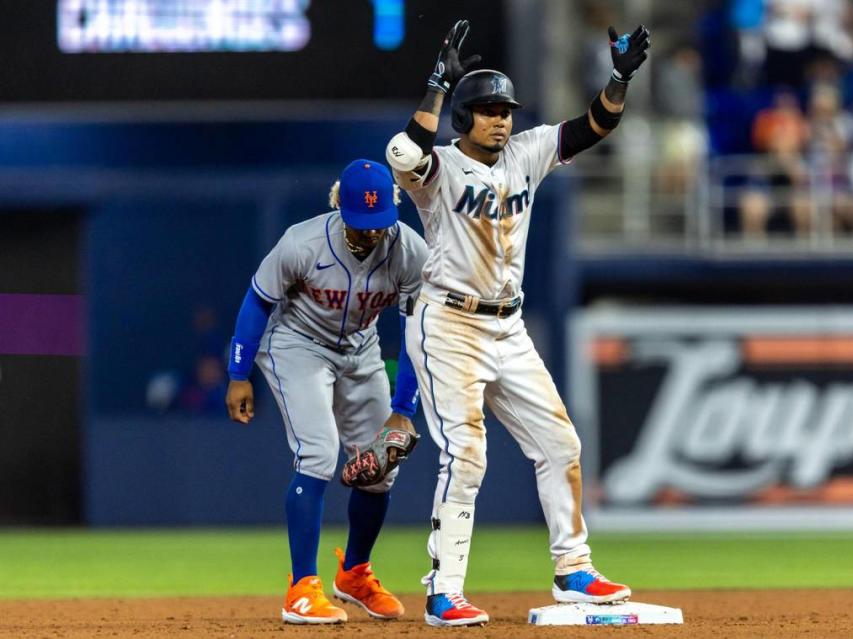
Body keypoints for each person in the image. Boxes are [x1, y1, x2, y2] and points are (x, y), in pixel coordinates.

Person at [384, 19, 650, 627]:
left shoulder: (526, 152)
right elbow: (405, 153)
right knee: (467, 454)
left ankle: (572, 570)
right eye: (487, 110)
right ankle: (442, 589)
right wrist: (435, 85)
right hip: (448, 325)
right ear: (463, 117)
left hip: (508, 328)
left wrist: (618, 77)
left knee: (561, 445)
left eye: (506, 108)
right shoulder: (441, 169)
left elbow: (595, 125)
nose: (501, 119)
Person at [224, 159, 427, 624]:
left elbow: (419, 331)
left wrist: (403, 407)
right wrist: (239, 374)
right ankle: (301, 588)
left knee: (380, 468)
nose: (371, 235)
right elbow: (258, 300)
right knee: (318, 452)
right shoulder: (304, 242)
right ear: (339, 207)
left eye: (379, 225)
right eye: (361, 225)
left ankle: (355, 573)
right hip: (298, 344)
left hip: (361, 349)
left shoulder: (409, 251)